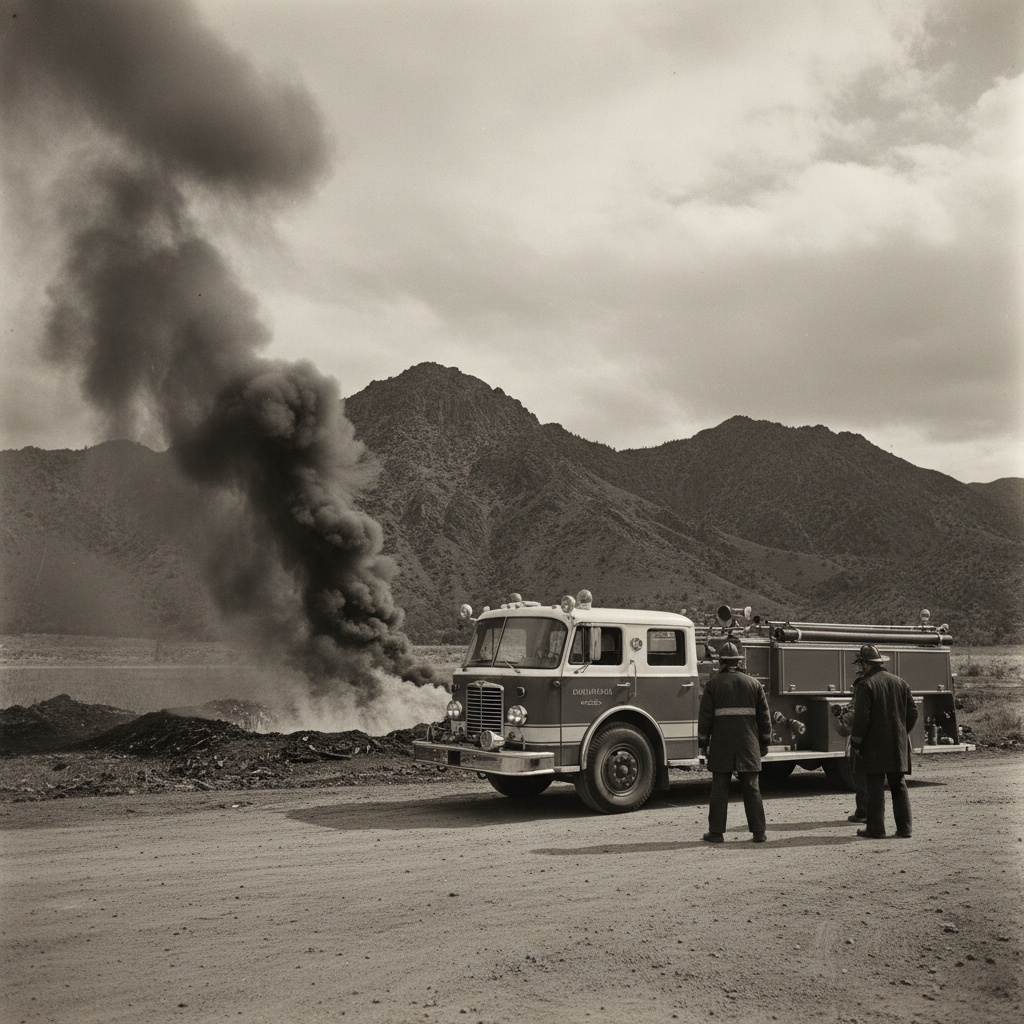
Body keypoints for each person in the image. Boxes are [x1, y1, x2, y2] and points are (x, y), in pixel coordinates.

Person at [697, 641, 772, 843]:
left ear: (721, 662)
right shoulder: (754, 684)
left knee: (719, 789)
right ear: (738, 662)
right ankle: (759, 832)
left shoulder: (712, 685)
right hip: (748, 744)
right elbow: (764, 718)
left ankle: (716, 833)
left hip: (722, 744)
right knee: (752, 788)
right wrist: (764, 743)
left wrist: (703, 744)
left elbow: (705, 718)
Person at [848, 644, 919, 839]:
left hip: (874, 746)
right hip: (897, 746)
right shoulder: (900, 682)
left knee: (875, 787)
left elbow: (862, 718)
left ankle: (876, 829)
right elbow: (913, 712)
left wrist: (856, 742)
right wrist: (901, 733)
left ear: (865, 664)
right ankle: (905, 828)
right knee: (899, 785)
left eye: (861, 663)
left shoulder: (865, 685)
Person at [832, 673, 868, 823]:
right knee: (872, 782)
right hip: (878, 745)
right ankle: (873, 815)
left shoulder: (860, 699)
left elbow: (844, 728)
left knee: (861, 780)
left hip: (861, 747)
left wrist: (838, 719)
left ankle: (864, 813)